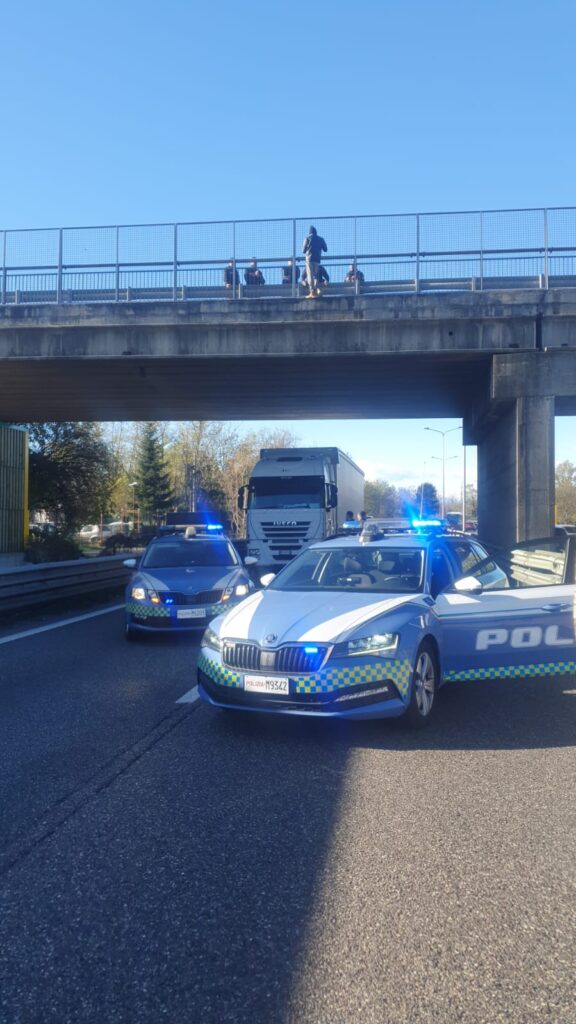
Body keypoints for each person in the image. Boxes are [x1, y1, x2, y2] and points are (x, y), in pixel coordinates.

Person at [302, 225, 327, 297]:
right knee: (316, 275)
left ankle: (312, 292)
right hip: (317, 259)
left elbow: (303, 251)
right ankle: (318, 290)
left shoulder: (307, 238)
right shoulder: (321, 239)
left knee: (310, 275)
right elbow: (325, 249)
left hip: (309, 259)